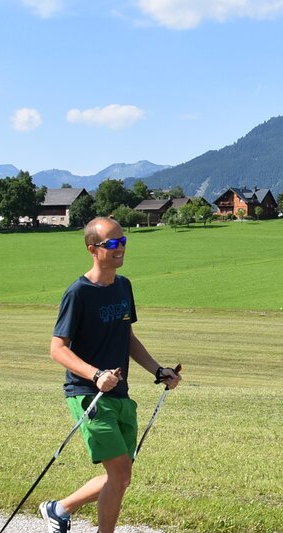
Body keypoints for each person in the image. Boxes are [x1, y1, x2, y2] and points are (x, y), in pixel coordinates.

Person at [42, 217, 180, 533]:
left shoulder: (123, 286)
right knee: (118, 474)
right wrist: (95, 375)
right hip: (89, 395)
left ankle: (59, 509)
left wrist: (159, 371)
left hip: (120, 394)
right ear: (93, 249)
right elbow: (57, 349)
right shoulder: (78, 293)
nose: (121, 248)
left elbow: (126, 337)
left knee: (122, 476)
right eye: (113, 243)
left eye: (123, 241)